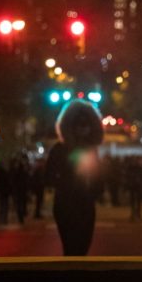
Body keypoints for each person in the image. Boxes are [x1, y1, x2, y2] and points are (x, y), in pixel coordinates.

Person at [46, 100, 104, 256]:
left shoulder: (92, 150)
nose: (82, 129)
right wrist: (65, 183)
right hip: (66, 204)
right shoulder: (59, 149)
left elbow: (99, 176)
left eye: (86, 125)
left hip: (86, 204)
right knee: (71, 248)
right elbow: (49, 175)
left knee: (83, 247)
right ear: (70, 126)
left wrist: (96, 191)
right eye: (79, 125)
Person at [10, 153, 30, 224]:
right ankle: (21, 217)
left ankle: (21, 216)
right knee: (20, 204)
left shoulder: (17, 172)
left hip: (19, 190)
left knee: (20, 204)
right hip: (20, 190)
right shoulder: (20, 173)